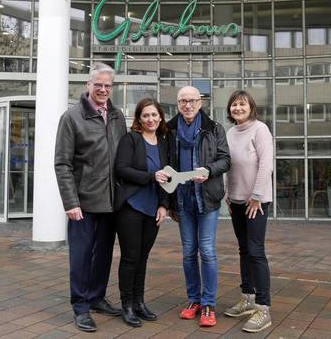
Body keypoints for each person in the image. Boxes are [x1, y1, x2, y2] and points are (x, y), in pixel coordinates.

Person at [54, 63, 127, 333]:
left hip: (111, 202)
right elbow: (62, 164)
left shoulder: (117, 116)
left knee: (104, 255)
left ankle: (96, 297)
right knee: (82, 256)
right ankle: (81, 307)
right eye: (99, 85)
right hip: (83, 202)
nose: (103, 89)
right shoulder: (72, 118)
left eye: (108, 85)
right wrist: (70, 202)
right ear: (89, 84)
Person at [166, 86, 231, 327]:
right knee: (188, 252)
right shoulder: (169, 130)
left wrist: (209, 170)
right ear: (178, 103)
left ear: (200, 102)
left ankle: (208, 305)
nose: (188, 105)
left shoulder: (214, 129)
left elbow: (226, 159)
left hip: (207, 199)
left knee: (208, 251)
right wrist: (169, 201)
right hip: (182, 201)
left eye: (192, 100)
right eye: (183, 101)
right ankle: (193, 300)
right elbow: (166, 165)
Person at [114, 98, 170, 327]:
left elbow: (169, 176)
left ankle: (139, 302)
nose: (151, 119)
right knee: (130, 257)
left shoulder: (164, 143)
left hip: (152, 207)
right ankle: (126, 305)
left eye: (154, 115)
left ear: (160, 118)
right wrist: (150, 177)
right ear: (139, 118)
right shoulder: (131, 139)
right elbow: (121, 169)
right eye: (146, 115)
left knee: (143, 258)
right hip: (130, 206)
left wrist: (164, 205)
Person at [223, 90, 273, 333]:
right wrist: (226, 194)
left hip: (257, 202)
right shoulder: (230, 132)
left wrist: (256, 197)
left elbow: (266, 164)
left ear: (250, 107)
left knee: (256, 251)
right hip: (236, 200)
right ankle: (248, 298)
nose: (238, 108)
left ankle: (263, 308)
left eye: (242, 104)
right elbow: (226, 166)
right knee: (243, 249)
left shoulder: (260, 129)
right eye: (234, 105)